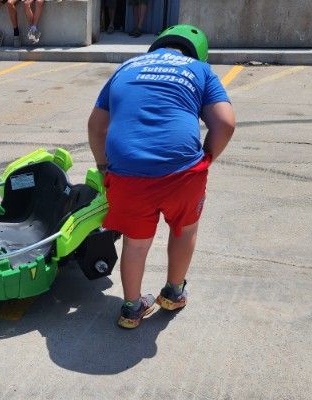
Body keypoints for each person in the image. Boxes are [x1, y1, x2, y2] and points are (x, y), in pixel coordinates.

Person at [87, 24, 236, 329]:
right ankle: (173, 292)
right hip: (182, 172)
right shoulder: (199, 69)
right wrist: (206, 159)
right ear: (199, 53)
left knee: (136, 242)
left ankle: (130, 309)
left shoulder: (126, 66)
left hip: (127, 173)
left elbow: (96, 126)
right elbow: (225, 124)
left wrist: (104, 168)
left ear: (157, 47)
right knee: (184, 229)